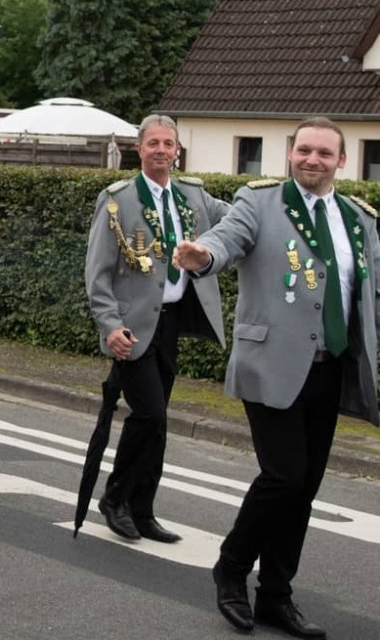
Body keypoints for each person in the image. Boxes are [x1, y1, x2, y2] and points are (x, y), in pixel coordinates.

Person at [174, 117, 379, 639]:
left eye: (324, 153)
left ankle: (276, 596)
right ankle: (232, 566)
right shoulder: (259, 202)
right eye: (304, 150)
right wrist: (204, 256)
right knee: (284, 476)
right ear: (290, 153)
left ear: (342, 161)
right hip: (271, 364)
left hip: (330, 367)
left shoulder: (358, 218)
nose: (313, 160)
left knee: (304, 489)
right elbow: (227, 239)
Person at [84, 114, 228, 543]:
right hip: (131, 329)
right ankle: (115, 498)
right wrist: (109, 325)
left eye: (169, 144)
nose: (162, 151)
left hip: (170, 324)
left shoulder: (194, 196)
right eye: (154, 144)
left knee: (157, 421)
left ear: (177, 150)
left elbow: (241, 220)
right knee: (150, 414)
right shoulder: (117, 200)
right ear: (139, 149)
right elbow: (98, 273)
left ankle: (142, 509)